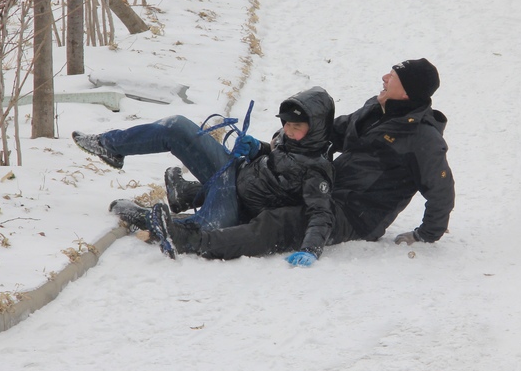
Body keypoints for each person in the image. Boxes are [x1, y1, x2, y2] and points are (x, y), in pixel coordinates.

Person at [155, 58, 455, 261]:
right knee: (263, 178)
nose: (385, 77)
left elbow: (441, 191)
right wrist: (277, 142)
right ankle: (186, 197)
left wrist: (424, 236)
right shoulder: (376, 110)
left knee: (279, 222)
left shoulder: (424, 140)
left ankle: (192, 240)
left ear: (407, 93)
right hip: (326, 187)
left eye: (394, 76)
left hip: (354, 215)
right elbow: (330, 133)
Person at [72, 86, 335, 266]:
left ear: (315, 129)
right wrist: (258, 148)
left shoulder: (316, 169)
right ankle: (109, 146)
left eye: (296, 126)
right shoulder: (288, 139)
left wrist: (311, 249)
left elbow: (321, 212)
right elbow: (278, 159)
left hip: (237, 209)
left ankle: (144, 217)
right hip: (233, 174)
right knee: (177, 127)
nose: (288, 130)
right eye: (286, 123)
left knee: (203, 229)